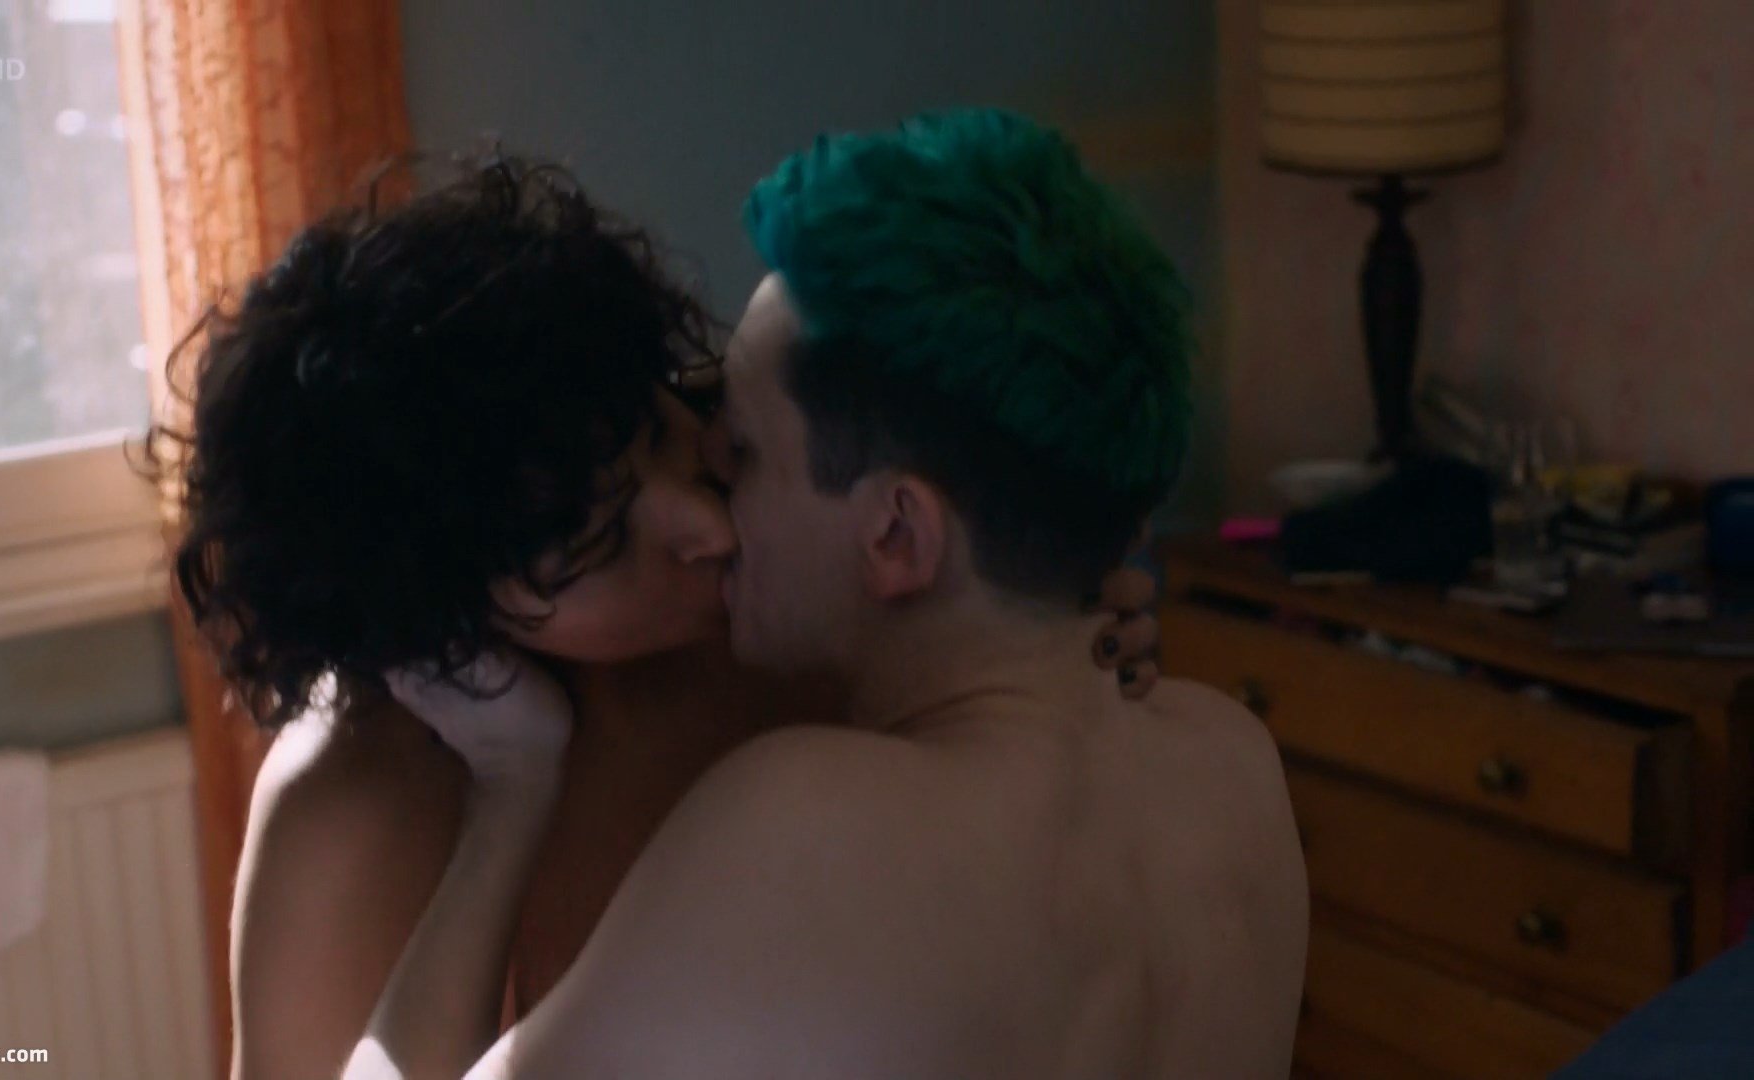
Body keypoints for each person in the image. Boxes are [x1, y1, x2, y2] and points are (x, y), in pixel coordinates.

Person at [152, 152, 1160, 1080]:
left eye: (666, 428)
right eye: (596, 547)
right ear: (443, 625)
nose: (706, 525)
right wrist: (510, 803)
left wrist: (1033, 626)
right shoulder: (359, 803)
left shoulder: (808, 636)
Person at [347, 110, 1308, 1079]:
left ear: (896, 535)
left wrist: (511, 785)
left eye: (747, 452)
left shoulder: (806, 823)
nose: (713, 494)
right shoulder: (1232, 767)